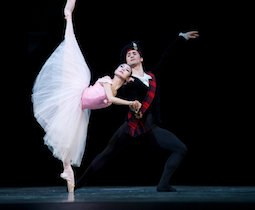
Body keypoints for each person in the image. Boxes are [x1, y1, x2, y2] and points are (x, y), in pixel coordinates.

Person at [32, 0, 141, 193]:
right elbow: (111, 98)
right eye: (122, 65)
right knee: (70, 48)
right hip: (77, 88)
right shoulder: (107, 80)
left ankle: (67, 171)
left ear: (127, 78)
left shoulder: (117, 88)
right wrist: (130, 102)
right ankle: (68, 16)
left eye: (127, 69)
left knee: (68, 138)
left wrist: (132, 90)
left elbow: (114, 95)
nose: (123, 67)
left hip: (79, 107)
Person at [76, 30, 199, 192]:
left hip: (150, 127)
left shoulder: (152, 76)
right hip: (132, 126)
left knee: (181, 149)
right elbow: (132, 97)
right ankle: (80, 182)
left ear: (141, 58)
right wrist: (135, 108)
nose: (131, 56)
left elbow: (167, 57)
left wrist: (181, 38)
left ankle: (163, 184)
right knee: (107, 153)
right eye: (128, 55)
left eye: (135, 54)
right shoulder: (129, 82)